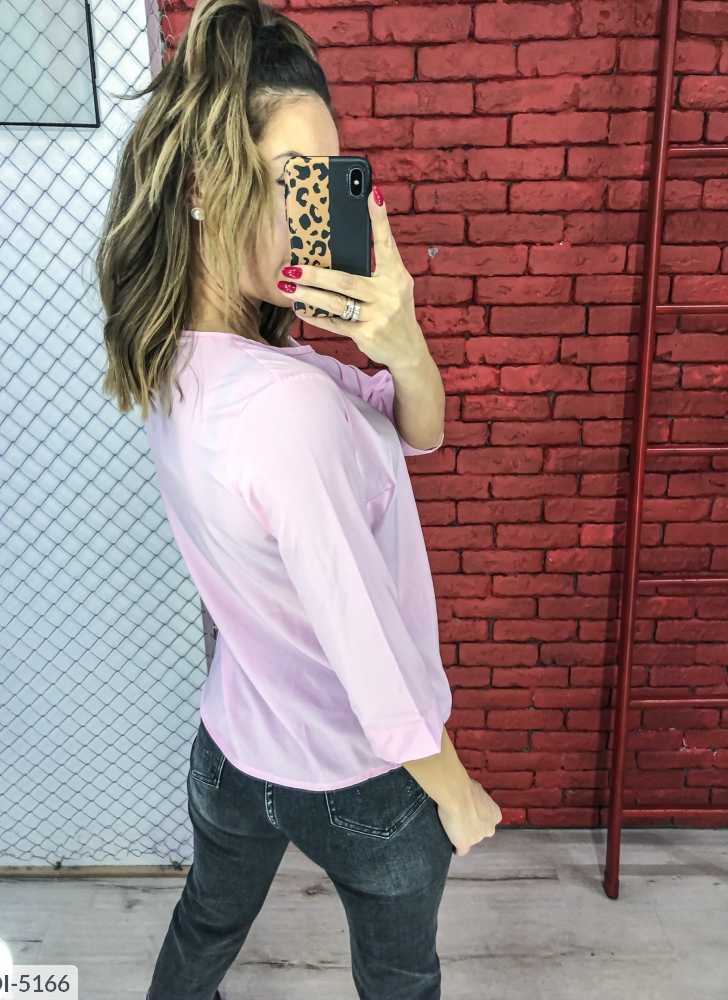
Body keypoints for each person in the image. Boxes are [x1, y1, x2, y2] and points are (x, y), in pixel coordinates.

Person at [97, 1, 502, 998]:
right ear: (203, 185)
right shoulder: (286, 405)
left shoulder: (181, 354)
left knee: (203, 929)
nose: (316, 210)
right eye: (289, 179)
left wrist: (404, 348)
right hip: (365, 782)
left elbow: (412, 426)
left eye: (325, 179)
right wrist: (455, 792)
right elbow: (368, 646)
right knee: (401, 979)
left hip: (233, 746)